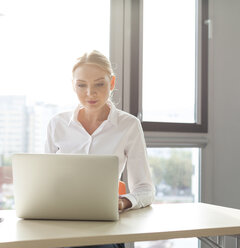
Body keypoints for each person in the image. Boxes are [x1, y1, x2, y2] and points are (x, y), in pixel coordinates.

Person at [45, 50, 155, 248]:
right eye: (81, 85)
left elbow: (145, 190)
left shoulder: (128, 125)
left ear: (112, 83)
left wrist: (123, 202)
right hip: (60, 223)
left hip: (104, 229)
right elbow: (42, 181)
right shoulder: (57, 124)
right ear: (73, 85)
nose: (90, 93)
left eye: (99, 84)